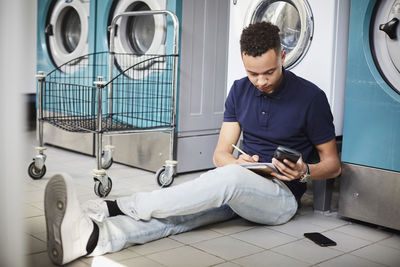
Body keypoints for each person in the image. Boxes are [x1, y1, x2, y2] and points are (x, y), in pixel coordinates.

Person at [44, 22, 341, 265]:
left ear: (283, 57)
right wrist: (240, 165)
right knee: (180, 216)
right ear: (242, 62)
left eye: (269, 72)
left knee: (230, 179)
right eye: (252, 73)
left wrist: (304, 173)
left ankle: (110, 207)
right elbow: (221, 155)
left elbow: (333, 165)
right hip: (240, 183)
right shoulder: (239, 90)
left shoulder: (311, 97)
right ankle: (91, 238)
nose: (261, 81)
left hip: (281, 199)